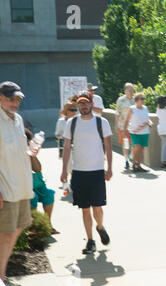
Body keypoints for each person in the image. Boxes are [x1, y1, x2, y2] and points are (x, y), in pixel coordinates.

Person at [61, 91, 113, 255]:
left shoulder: (101, 122)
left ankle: (99, 227)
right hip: (78, 172)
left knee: (97, 207)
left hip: (97, 171)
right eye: (80, 103)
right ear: (77, 105)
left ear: (92, 104)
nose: (83, 106)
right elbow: (67, 147)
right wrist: (64, 170)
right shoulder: (72, 123)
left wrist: (110, 167)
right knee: (84, 209)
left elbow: (109, 147)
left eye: (86, 103)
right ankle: (90, 241)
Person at [0, 81, 34, 285]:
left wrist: (31, 152)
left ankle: (1, 274)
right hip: (6, 188)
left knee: (18, 228)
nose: (15, 102)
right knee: (5, 234)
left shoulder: (19, 119)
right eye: (11, 98)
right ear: (0, 99)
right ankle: (1, 278)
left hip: (23, 186)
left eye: (18, 99)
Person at [25, 129, 58, 234]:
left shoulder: (29, 151)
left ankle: (47, 224)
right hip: (24, 185)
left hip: (36, 183)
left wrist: (32, 155)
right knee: (33, 197)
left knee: (49, 194)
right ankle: (31, 227)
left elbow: (38, 169)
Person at [124, 92, 153, 172]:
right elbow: (127, 120)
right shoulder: (132, 108)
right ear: (137, 100)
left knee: (142, 149)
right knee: (137, 147)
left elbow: (148, 119)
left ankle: (139, 165)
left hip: (145, 131)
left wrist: (150, 123)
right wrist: (125, 130)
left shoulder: (145, 108)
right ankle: (133, 164)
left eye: (144, 98)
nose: (143, 100)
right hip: (134, 132)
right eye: (141, 99)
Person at [115, 83, 135, 170]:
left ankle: (131, 157)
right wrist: (116, 125)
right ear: (125, 90)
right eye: (129, 90)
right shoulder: (121, 100)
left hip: (134, 126)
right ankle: (126, 161)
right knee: (126, 144)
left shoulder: (136, 99)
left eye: (132, 90)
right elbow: (117, 113)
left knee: (134, 144)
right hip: (123, 126)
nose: (130, 91)